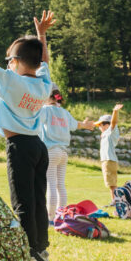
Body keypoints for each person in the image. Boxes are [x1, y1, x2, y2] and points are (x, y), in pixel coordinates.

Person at [0, 7, 55, 261]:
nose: (6, 64)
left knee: (22, 202)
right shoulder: (43, 84)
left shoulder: (12, 82)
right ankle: (41, 250)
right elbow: (45, 63)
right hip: (38, 146)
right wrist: (41, 34)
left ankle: (29, 254)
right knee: (38, 200)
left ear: (17, 62)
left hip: (19, 146)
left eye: (9, 60)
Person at [39, 84, 94, 223]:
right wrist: (86, 124)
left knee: (51, 183)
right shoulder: (64, 112)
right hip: (63, 153)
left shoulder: (45, 110)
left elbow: (34, 120)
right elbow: (76, 124)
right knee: (60, 185)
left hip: (51, 151)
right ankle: (62, 215)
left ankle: (50, 217)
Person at [94, 104, 124, 201]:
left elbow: (114, 122)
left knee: (111, 185)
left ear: (107, 124)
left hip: (109, 160)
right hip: (108, 160)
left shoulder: (111, 131)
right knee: (112, 184)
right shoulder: (106, 133)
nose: (99, 127)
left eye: (101, 125)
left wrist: (115, 111)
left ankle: (115, 202)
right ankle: (116, 201)